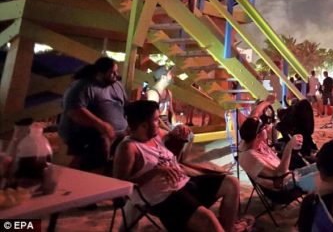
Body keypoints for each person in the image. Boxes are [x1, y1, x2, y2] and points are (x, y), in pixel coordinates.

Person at [114, 100, 246, 232]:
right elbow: (120, 184)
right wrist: (155, 172)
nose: (159, 122)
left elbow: (172, 147)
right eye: (155, 120)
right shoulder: (129, 148)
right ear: (143, 125)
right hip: (163, 198)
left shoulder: (155, 135)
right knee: (208, 218)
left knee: (232, 183)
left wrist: (179, 133)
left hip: (184, 183)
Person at [58, 57, 127, 172]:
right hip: (84, 132)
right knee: (100, 142)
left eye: (116, 71)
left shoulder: (117, 85)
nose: (116, 75)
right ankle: (88, 174)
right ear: (100, 73)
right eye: (112, 72)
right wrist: (101, 125)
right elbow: (74, 111)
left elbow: (125, 105)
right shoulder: (82, 86)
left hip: (116, 132)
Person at [237, 117, 318, 192]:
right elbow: (280, 173)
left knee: (322, 165)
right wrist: (289, 147)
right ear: (257, 136)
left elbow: (251, 125)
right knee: (323, 176)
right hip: (285, 184)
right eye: (264, 128)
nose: (268, 128)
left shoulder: (251, 142)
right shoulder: (251, 157)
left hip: (291, 175)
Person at [145, 66, 177, 131]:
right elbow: (154, 118)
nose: (172, 76)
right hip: (156, 127)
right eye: (170, 74)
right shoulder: (153, 94)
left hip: (166, 125)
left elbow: (171, 112)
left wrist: (175, 126)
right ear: (163, 77)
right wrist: (170, 131)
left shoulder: (168, 93)